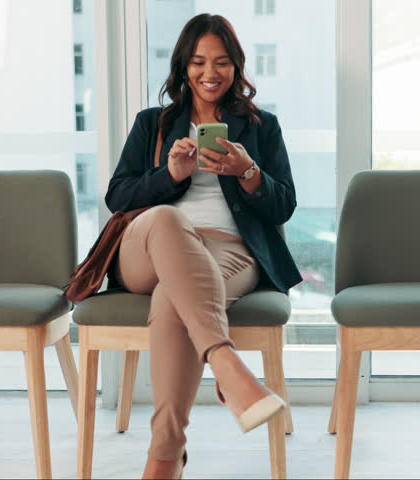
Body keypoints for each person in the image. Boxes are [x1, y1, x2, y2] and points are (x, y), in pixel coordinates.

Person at [104, 13, 303, 479]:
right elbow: (118, 196)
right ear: (182, 67)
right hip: (148, 247)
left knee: (173, 297)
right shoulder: (152, 123)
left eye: (221, 62)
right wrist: (168, 176)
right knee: (170, 219)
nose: (209, 73)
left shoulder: (261, 127)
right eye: (198, 62)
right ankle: (226, 364)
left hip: (228, 252)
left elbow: (285, 206)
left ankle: (164, 456)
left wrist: (248, 173)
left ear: (236, 67)